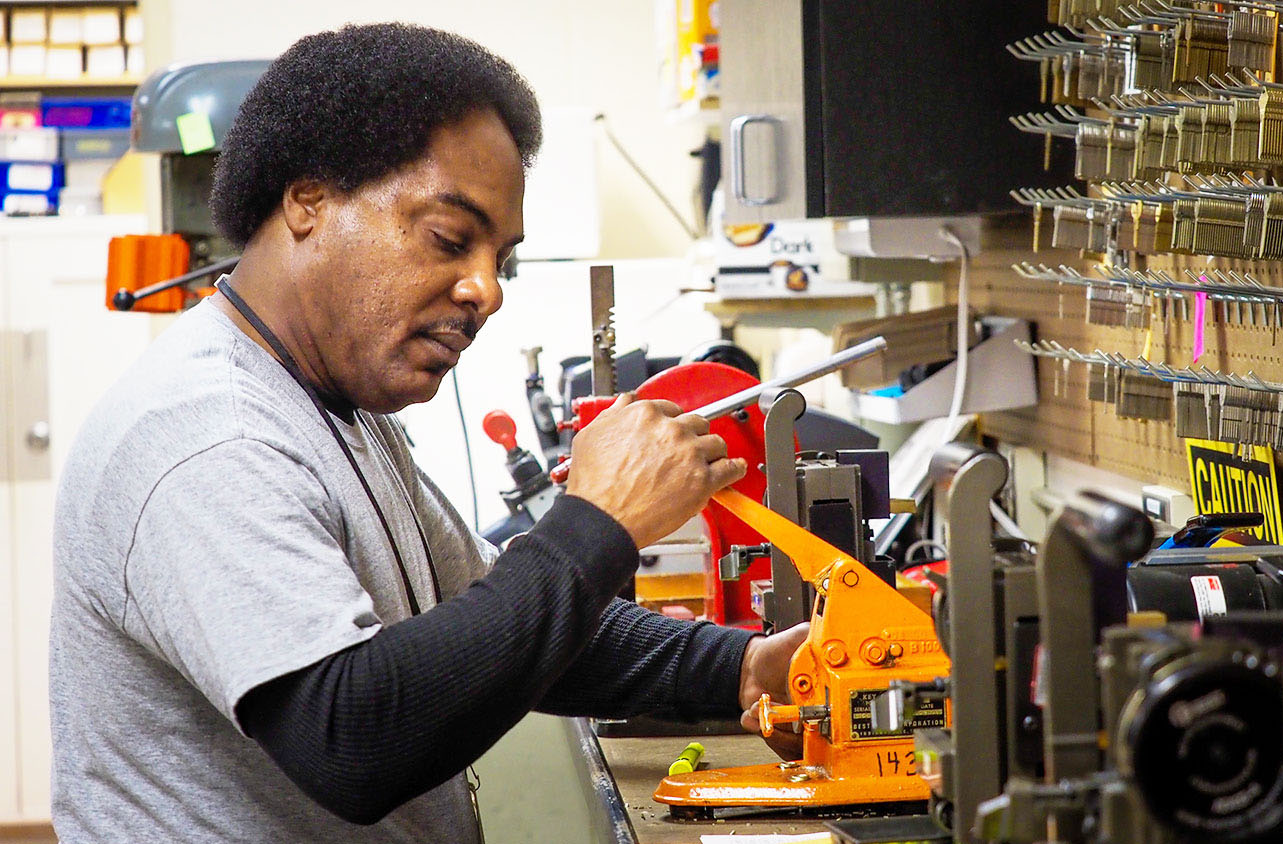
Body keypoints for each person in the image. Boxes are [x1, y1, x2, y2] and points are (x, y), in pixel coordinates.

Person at [50, 22, 806, 843]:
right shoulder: (209, 436)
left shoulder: (334, 404)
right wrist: (598, 523)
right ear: (309, 201)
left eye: (500, 259)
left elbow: (510, 625)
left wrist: (738, 667)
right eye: (450, 238)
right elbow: (353, 739)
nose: (486, 288)